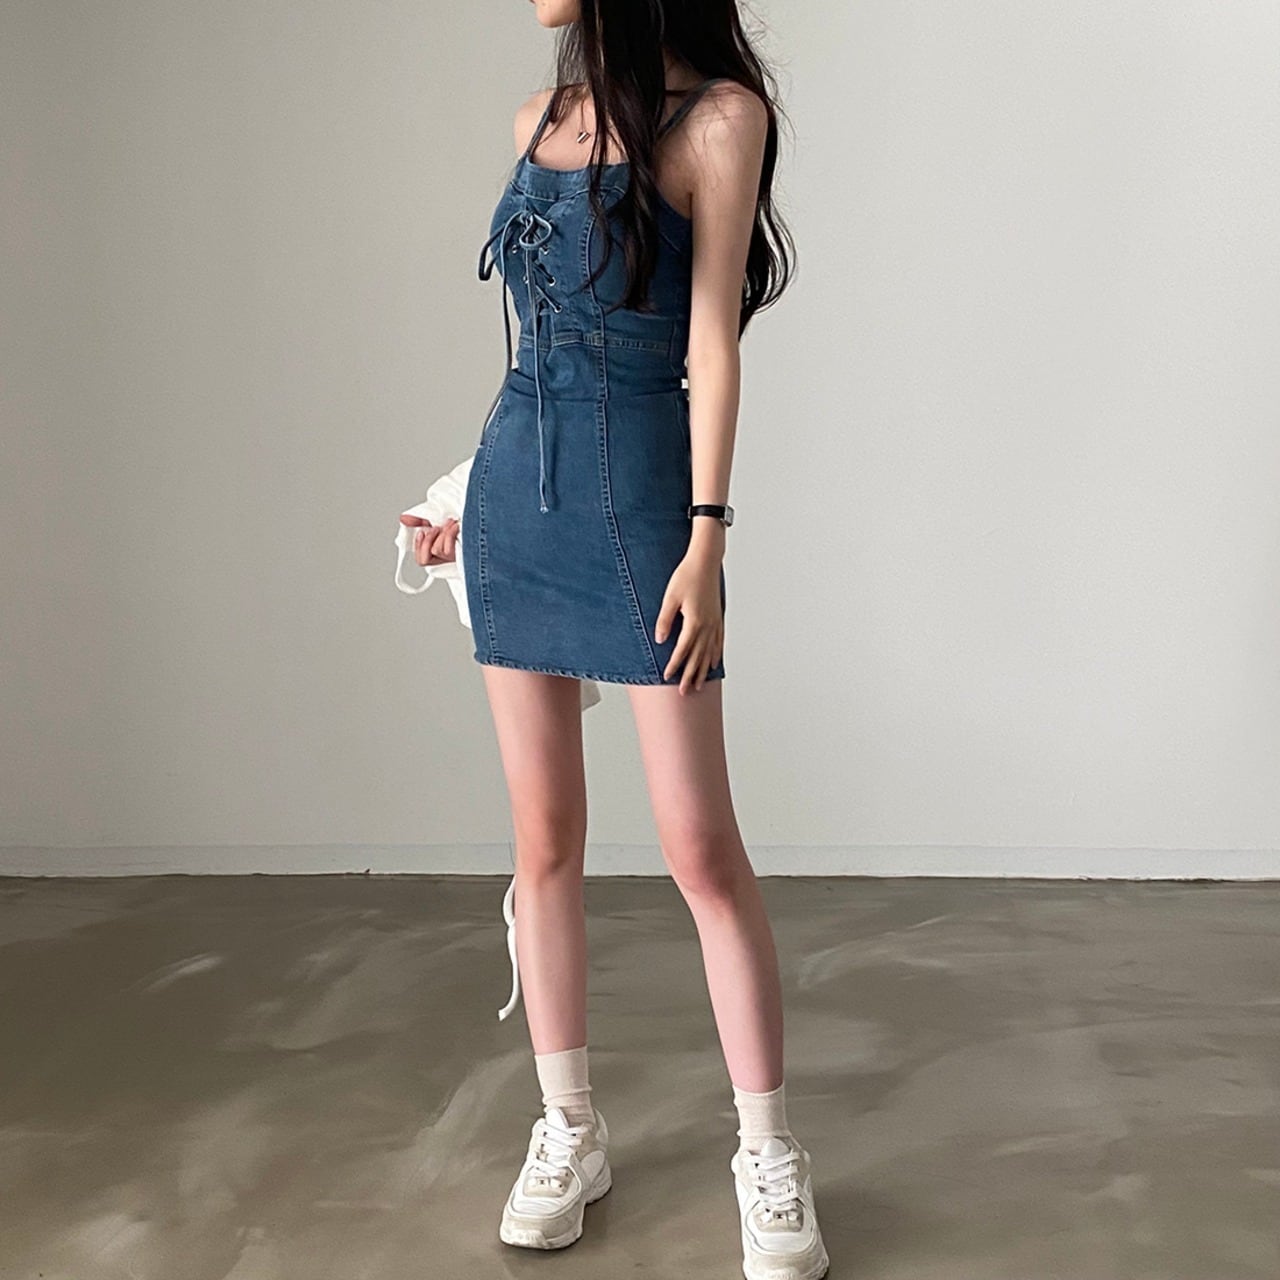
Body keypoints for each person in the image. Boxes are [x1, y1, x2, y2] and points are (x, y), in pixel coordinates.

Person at [408, 3, 826, 1276]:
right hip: (513, 497)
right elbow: (533, 359)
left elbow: (710, 341)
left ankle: (767, 1151)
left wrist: (707, 536)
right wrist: (458, 501)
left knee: (699, 845)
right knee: (542, 841)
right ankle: (568, 1127)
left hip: (646, 502)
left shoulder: (720, 120)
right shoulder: (533, 120)